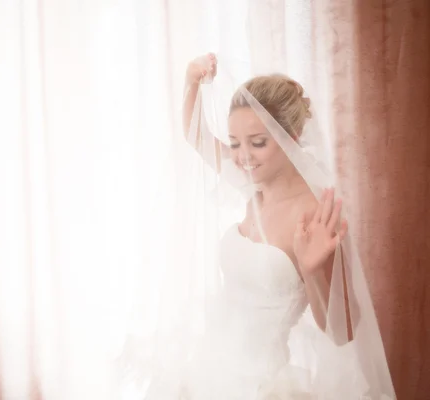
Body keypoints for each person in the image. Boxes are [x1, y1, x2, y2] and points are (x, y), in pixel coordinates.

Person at [127, 53, 394, 399]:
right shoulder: (251, 182)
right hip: (207, 369)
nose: (242, 156)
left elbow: (342, 332)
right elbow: (197, 136)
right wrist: (191, 81)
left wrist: (312, 270)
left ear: (293, 136)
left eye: (258, 142)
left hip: (259, 386)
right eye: (235, 143)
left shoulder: (316, 212)